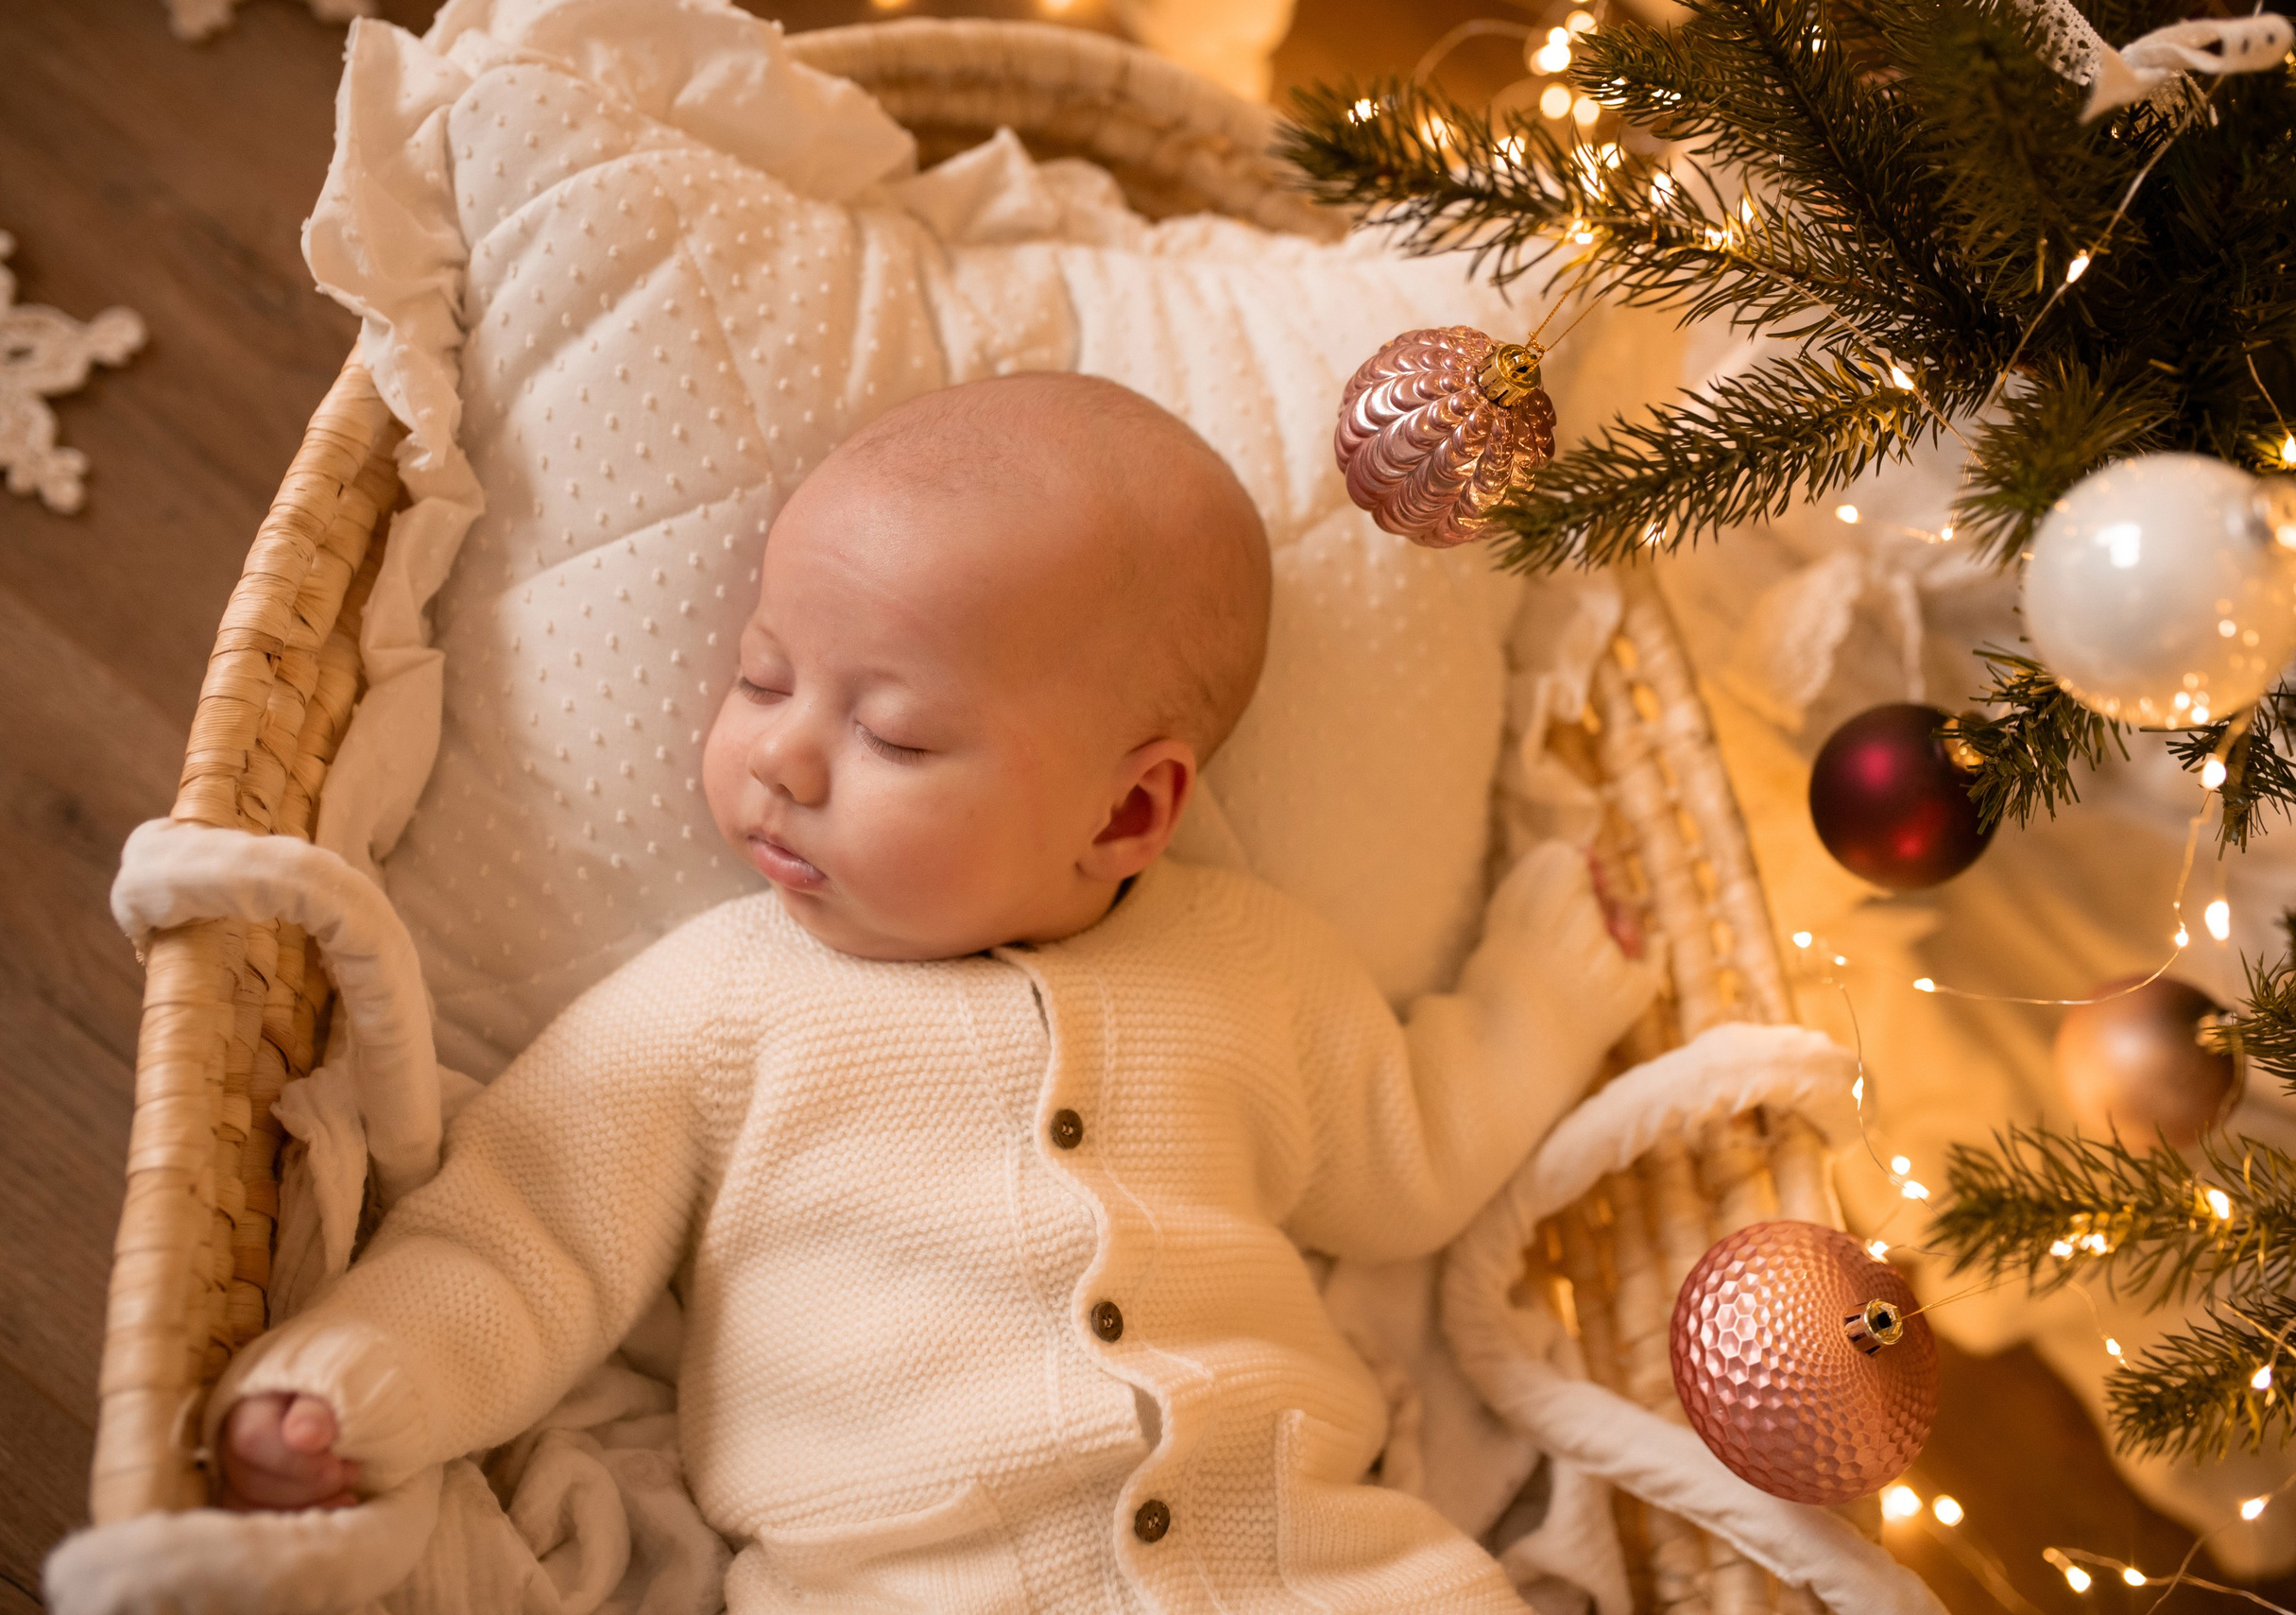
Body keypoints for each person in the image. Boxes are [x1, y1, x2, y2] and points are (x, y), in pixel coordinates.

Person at [210, 372, 1658, 1611]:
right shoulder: (720, 1005)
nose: (780, 755)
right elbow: (523, 1238)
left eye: (892, 736)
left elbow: (1401, 1159)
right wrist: (360, 1381)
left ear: (1128, 813)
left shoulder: (1250, 963)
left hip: (1311, 1558)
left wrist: (1540, 994)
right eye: (764, 676)